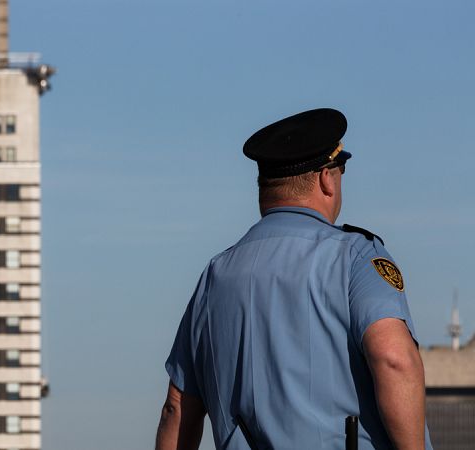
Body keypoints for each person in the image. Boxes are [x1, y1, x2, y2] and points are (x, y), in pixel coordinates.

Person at [155, 108, 432, 450]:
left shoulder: (215, 275)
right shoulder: (354, 256)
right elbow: (393, 359)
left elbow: (177, 408)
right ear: (326, 179)